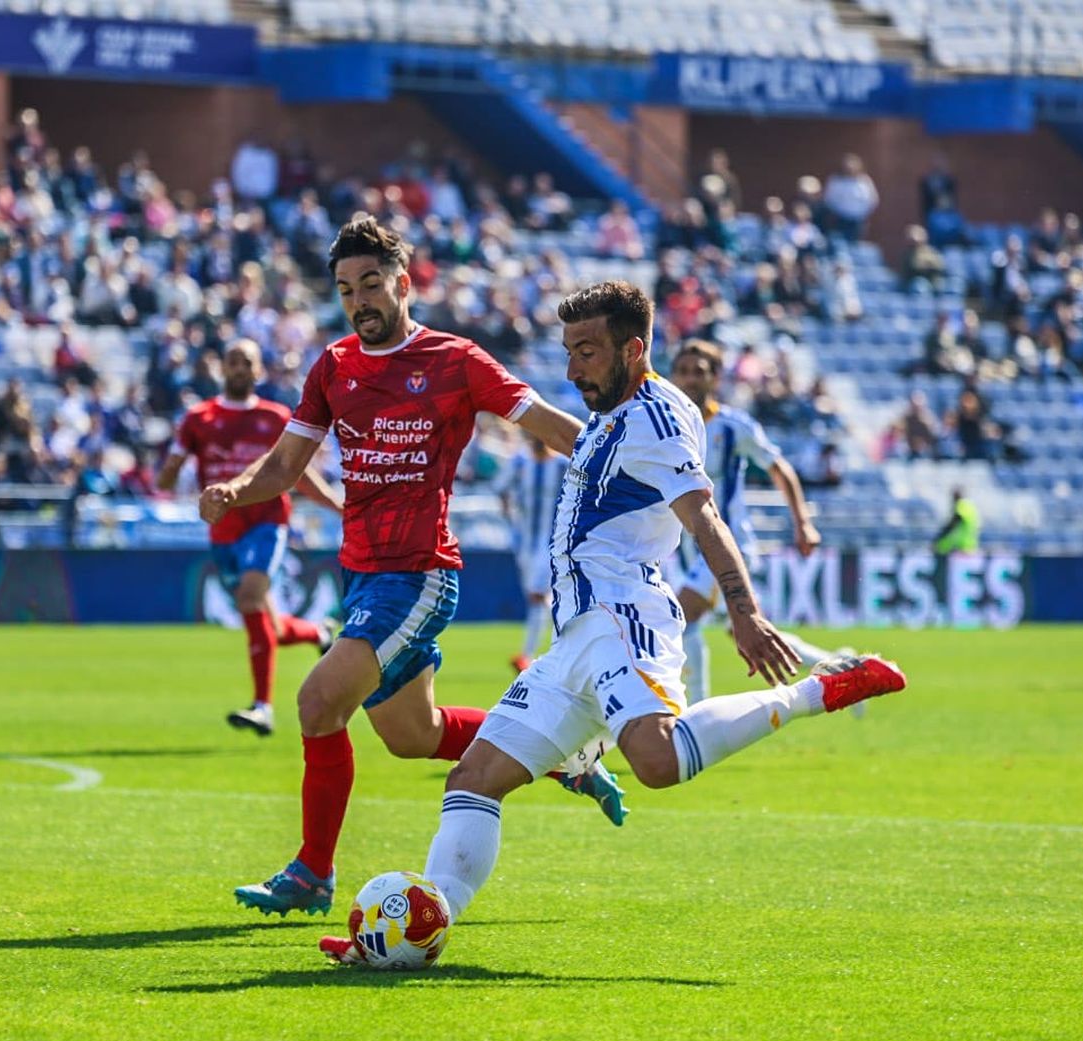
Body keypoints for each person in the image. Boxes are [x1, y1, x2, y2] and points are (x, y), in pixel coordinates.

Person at [319, 281, 906, 963]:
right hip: (577, 635)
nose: (573, 370)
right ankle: (418, 929)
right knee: (471, 781)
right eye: (569, 351)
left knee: (655, 762)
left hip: (624, 616)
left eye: (588, 352)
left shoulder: (659, 416)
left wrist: (745, 614)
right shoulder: (606, 411)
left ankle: (817, 691)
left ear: (634, 348)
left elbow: (702, 517)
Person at [199, 218, 621, 917]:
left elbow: (543, 421)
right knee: (412, 737)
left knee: (315, 705)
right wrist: (236, 492)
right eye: (345, 289)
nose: (359, 299)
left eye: (371, 284)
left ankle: (311, 873)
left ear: (402, 283)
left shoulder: (454, 360)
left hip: (419, 574)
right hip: (362, 575)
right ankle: (565, 756)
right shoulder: (334, 366)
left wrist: (626, 464)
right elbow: (284, 465)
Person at [157, 338, 341, 735]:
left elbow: (297, 474)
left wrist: (335, 504)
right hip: (223, 530)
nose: (240, 368)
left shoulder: (277, 418)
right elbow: (167, 475)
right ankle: (320, 632)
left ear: (259, 371)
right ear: (222, 369)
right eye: (234, 361)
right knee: (268, 626)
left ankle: (262, 707)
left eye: (248, 362)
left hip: (267, 522)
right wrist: (170, 469)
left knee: (250, 597)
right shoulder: (198, 418)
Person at [667, 339, 854, 704]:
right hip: (691, 553)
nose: (690, 379)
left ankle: (694, 717)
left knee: (680, 619)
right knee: (742, 631)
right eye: (683, 372)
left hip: (729, 547)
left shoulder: (733, 426)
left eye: (699, 372)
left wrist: (803, 522)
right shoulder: (668, 427)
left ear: (716, 378)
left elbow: (779, 468)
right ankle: (842, 670)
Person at [499, 430, 569, 672]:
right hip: (525, 541)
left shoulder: (562, 465)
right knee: (539, 599)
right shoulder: (519, 462)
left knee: (538, 596)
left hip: (553, 541)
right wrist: (511, 519)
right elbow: (500, 488)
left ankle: (528, 655)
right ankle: (562, 645)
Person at [932, 487, 981, 558]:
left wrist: (938, 539)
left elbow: (952, 524)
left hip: (960, 548)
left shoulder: (961, 506)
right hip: (971, 546)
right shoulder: (971, 506)